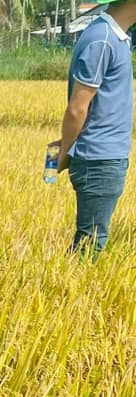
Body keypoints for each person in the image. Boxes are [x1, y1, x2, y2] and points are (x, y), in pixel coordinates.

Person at [54, 0, 136, 257]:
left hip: (107, 155)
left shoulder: (116, 37)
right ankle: (68, 293)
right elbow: (77, 108)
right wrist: (66, 150)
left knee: (92, 238)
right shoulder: (102, 39)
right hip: (98, 158)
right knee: (91, 243)